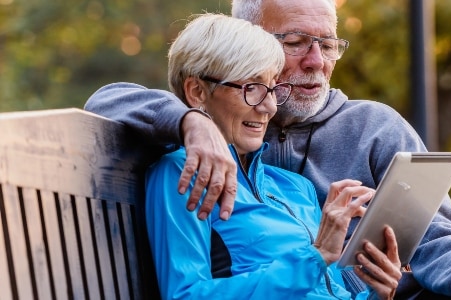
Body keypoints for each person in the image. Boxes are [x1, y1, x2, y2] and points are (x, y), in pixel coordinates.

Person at [85, 0, 451, 299]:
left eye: (328, 43)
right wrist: (191, 122)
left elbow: (440, 237)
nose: (317, 61)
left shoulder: (329, 157)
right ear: (250, 42)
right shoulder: (191, 161)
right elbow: (107, 100)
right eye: (295, 42)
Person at [145, 13, 401, 299]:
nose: (268, 107)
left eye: (272, 89)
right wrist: (315, 258)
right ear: (197, 91)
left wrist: (379, 292)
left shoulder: (294, 187)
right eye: (252, 88)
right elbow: (186, 295)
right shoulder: (183, 174)